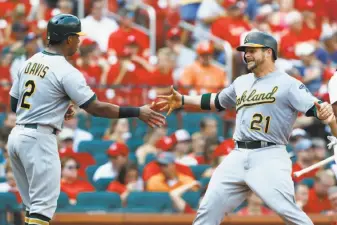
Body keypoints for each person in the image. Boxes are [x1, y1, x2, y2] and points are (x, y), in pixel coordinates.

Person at [155, 31, 337, 225]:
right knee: (207, 211)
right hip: (237, 154)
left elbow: (317, 108)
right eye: (245, 50)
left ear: (268, 52)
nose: (246, 54)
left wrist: (325, 111)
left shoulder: (289, 84)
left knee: (290, 214)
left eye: (252, 50)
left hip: (270, 154)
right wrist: (183, 100)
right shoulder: (242, 82)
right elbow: (216, 101)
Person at [7, 14, 165, 225]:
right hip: (39, 139)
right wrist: (137, 111)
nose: (79, 42)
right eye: (77, 37)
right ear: (69, 39)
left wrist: (54, 109)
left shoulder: (29, 62)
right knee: (43, 209)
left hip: (18, 136)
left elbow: (13, 104)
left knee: (32, 208)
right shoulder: (66, 70)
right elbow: (96, 108)